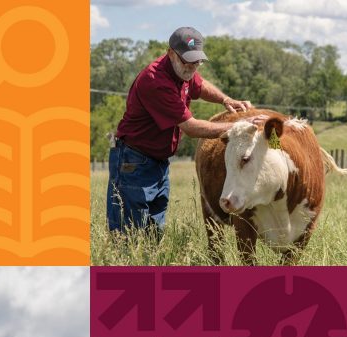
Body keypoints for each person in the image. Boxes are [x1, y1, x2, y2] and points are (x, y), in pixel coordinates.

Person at [106, 26, 262, 235]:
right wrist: (239, 126)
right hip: (134, 162)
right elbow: (191, 127)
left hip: (157, 162)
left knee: (153, 231)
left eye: (197, 62)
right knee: (130, 233)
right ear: (171, 53)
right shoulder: (156, 81)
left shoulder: (183, 72)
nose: (191, 67)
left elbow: (200, 85)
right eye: (186, 61)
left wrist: (225, 99)